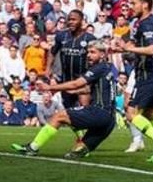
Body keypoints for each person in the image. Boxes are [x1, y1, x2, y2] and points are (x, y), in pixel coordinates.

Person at [12, 40, 116, 159]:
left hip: (99, 112)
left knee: (59, 116)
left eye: (93, 52)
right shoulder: (108, 68)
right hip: (109, 121)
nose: (88, 55)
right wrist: (75, 91)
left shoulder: (98, 68)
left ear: (102, 54)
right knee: (76, 153)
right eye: (88, 52)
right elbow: (92, 90)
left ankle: (32, 148)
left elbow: (76, 83)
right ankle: (80, 145)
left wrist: (50, 87)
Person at [112, 0, 153, 162]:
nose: (131, 6)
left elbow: (151, 49)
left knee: (131, 113)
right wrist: (123, 46)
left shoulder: (146, 24)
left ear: (145, 4)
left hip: (148, 74)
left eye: (134, 2)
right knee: (151, 113)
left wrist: (129, 48)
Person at [46, 9, 96, 148]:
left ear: (81, 21)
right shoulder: (62, 36)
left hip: (83, 81)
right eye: (69, 19)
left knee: (85, 110)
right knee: (69, 112)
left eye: (74, 19)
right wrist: (48, 69)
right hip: (66, 81)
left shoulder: (89, 39)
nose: (71, 22)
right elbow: (52, 51)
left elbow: (97, 56)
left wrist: (93, 75)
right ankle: (81, 138)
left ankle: (85, 142)